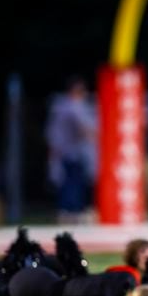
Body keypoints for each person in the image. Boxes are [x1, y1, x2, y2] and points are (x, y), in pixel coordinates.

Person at [45, 76, 96, 224]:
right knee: (72, 182)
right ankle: (70, 212)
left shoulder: (60, 106)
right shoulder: (71, 106)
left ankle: (69, 211)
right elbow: (82, 128)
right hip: (69, 152)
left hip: (65, 151)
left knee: (69, 182)